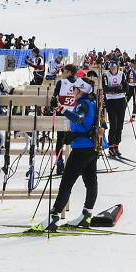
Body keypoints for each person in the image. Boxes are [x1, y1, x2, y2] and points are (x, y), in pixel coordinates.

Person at [49, 77, 99, 231]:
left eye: (74, 89)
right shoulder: (91, 102)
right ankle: (86, 215)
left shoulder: (83, 104)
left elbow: (78, 119)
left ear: (80, 90)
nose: (72, 91)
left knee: (67, 182)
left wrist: (61, 109)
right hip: (91, 148)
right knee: (90, 182)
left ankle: (54, 216)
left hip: (81, 149)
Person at [102, 63, 127, 159]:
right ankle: (111, 147)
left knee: (120, 126)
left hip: (121, 101)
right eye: (110, 65)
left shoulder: (122, 74)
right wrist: (118, 88)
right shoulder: (106, 75)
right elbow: (105, 89)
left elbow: (126, 88)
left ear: (117, 66)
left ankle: (116, 145)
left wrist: (114, 90)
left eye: (114, 65)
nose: (112, 67)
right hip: (111, 101)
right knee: (113, 125)